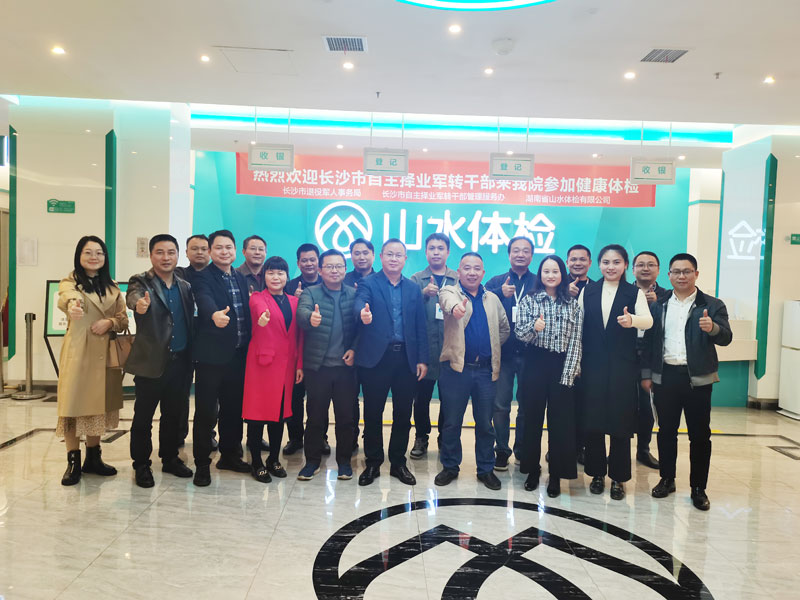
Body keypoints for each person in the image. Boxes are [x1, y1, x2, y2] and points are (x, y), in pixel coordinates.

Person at [642, 253, 732, 511]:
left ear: (696, 274)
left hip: (698, 380)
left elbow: (726, 337)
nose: (681, 276)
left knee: (700, 435)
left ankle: (698, 488)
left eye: (687, 271)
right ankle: (667, 479)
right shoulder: (659, 305)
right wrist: (647, 374)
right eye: (676, 272)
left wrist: (712, 328)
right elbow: (649, 343)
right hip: (666, 377)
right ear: (669, 275)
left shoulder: (712, 305)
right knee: (666, 431)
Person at [578, 244, 653, 501]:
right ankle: (597, 474)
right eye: (606, 262)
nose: (611, 267)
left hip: (622, 366)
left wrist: (632, 321)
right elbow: (578, 324)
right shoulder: (588, 290)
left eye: (616, 262)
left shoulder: (634, 292)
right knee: (594, 422)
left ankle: (619, 478)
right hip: (592, 365)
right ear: (599, 265)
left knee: (621, 423)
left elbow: (648, 321)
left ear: (625, 265)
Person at [354, 239, 429, 486]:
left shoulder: (413, 288)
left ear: (405, 259)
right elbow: (359, 303)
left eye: (398, 255)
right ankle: (373, 462)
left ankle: (398, 462)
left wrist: (422, 359)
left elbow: (420, 326)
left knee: (403, 413)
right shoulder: (368, 283)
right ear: (381, 257)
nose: (394, 258)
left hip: (406, 358)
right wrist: (362, 314)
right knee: (373, 413)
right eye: (389, 254)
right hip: (376, 358)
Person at [56, 235, 128, 486]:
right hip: (79, 353)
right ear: (79, 256)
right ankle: (72, 461)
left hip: (105, 354)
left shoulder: (112, 286)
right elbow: (66, 298)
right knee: (72, 406)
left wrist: (110, 322)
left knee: (99, 405)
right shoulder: (70, 283)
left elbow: (123, 319)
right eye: (88, 252)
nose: (94, 257)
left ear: (105, 257)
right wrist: (72, 307)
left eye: (99, 253)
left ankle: (94, 458)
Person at [435, 252, 509, 490]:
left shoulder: (492, 299)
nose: (472, 272)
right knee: (452, 422)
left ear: (483, 273)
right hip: (456, 370)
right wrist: (456, 309)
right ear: (459, 272)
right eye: (467, 268)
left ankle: (486, 469)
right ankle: (450, 467)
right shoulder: (450, 291)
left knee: (485, 424)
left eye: (477, 268)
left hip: (486, 371)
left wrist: (490, 347)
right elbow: (447, 302)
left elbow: (504, 329)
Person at [126, 234, 195, 487]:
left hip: (180, 362)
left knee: (173, 416)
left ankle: (170, 458)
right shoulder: (140, 281)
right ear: (151, 255)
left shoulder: (184, 286)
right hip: (151, 363)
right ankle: (141, 464)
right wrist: (139, 305)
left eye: (170, 252)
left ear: (178, 255)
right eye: (160, 252)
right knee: (143, 418)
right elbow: (133, 298)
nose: (166, 257)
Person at [515, 255, 583, 498]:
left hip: (561, 364)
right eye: (546, 271)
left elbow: (576, 341)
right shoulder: (529, 300)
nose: (551, 275)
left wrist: (569, 373)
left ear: (562, 274)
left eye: (555, 271)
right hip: (535, 363)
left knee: (560, 423)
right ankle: (532, 470)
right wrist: (534, 328)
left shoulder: (572, 304)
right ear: (540, 275)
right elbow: (520, 334)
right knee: (532, 419)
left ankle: (556, 475)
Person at [191, 229, 252, 486]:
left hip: (238, 355)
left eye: (228, 247)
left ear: (235, 251)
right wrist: (214, 314)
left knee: (233, 410)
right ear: (210, 251)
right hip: (211, 357)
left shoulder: (240, 277)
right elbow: (203, 299)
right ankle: (202, 464)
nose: (224, 252)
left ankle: (230, 455)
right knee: (206, 412)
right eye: (219, 248)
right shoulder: (202, 276)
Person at [296, 249, 358, 480]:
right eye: (329, 266)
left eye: (339, 266)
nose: (334, 270)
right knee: (315, 418)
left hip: (345, 369)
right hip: (318, 368)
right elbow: (301, 314)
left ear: (345, 269)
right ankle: (312, 462)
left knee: (346, 418)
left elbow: (361, 329)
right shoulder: (310, 293)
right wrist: (309, 318)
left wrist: (354, 349)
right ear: (320, 270)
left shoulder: (353, 294)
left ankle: (344, 462)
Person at [241, 256, 303, 483]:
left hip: (286, 367)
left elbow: (299, 337)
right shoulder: (258, 298)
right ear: (264, 276)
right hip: (262, 366)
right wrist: (262, 318)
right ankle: (256, 462)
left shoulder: (294, 302)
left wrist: (299, 365)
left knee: (279, 416)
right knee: (257, 416)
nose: (276, 277)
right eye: (271, 273)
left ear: (287, 276)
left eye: (280, 273)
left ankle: (274, 459)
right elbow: (259, 311)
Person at [485, 236, 538, 471]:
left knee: (526, 405)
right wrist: (499, 293)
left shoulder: (538, 282)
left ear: (531, 255)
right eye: (516, 250)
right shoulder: (496, 281)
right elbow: (480, 301)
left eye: (525, 251)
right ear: (509, 254)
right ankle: (501, 450)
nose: (520, 254)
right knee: (500, 405)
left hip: (531, 353)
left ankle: (522, 450)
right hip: (503, 353)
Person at [409, 233, 458, 459]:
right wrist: (422, 295)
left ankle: (444, 437)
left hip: (450, 348)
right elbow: (406, 308)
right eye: (432, 248)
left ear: (448, 252)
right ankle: (421, 436)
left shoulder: (457, 278)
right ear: (426, 251)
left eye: (440, 248)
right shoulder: (416, 279)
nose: (436, 252)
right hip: (425, 350)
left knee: (449, 398)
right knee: (421, 399)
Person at [283, 243, 327, 456]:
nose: (309, 263)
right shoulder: (289, 286)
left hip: (321, 349)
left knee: (320, 399)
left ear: (318, 262)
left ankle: (321, 438)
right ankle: (295, 438)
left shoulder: (328, 283)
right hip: (295, 350)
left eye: (312, 259)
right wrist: (294, 300)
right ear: (298, 263)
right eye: (304, 260)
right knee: (294, 397)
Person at [632, 250, 671, 470]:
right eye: (640, 265)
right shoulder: (625, 292)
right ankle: (616, 450)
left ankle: (643, 449)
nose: (645, 268)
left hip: (651, 355)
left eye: (650, 265)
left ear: (658, 270)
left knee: (647, 406)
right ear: (633, 269)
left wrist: (657, 305)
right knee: (619, 403)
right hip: (626, 353)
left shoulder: (667, 296)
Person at [175, 233, 211, 447]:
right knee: (180, 391)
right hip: (184, 342)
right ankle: (178, 434)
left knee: (210, 395)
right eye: (194, 248)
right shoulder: (178, 275)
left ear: (210, 251)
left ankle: (208, 435)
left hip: (209, 341)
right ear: (186, 252)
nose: (199, 252)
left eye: (204, 249)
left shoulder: (216, 276)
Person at [343, 237, 376, 451]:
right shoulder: (343, 280)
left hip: (373, 349)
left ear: (373, 255)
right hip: (347, 348)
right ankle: (351, 437)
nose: (361, 257)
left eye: (365, 253)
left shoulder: (382, 280)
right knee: (349, 398)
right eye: (357, 253)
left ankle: (370, 439)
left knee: (373, 399)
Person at [566, 243, 593, 465]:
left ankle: (582, 448)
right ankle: (562, 448)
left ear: (590, 263)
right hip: (561, 355)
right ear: (567, 262)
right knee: (562, 405)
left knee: (585, 404)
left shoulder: (597, 288)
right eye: (573, 259)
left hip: (589, 355)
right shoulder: (556, 284)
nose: (577, 263)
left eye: (582, 259)